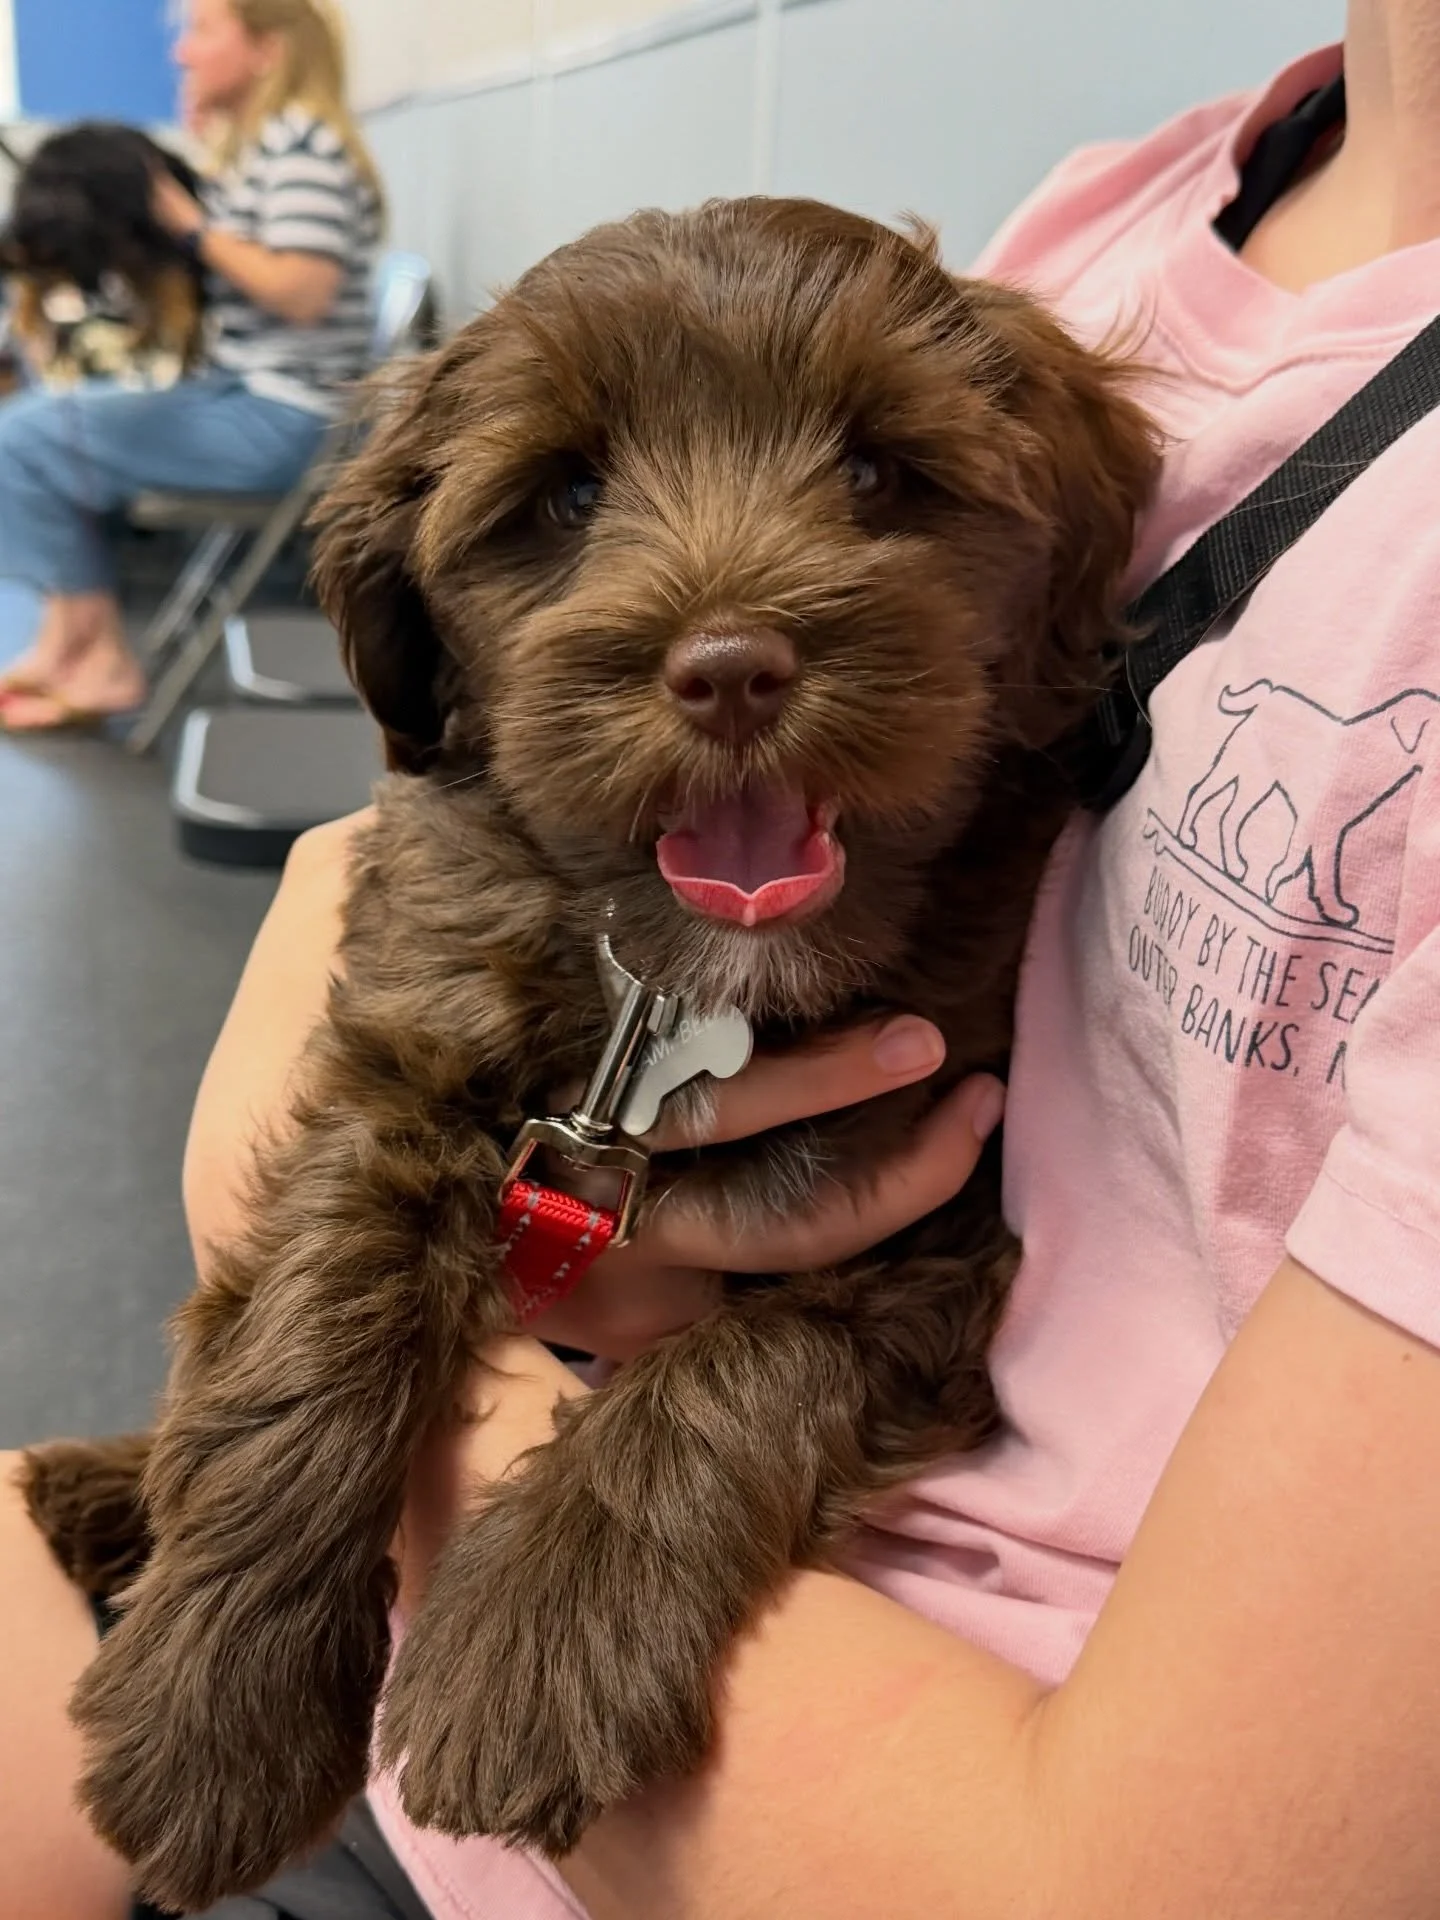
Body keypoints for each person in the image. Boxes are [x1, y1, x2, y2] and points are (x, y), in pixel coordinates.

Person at [7, 2, 1440, 1914]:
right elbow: (428, 1071)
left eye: (873, 486)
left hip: (802, 1746)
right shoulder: (1130, 215)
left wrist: (344, 1244)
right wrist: (410, 1359)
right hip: (443, 1524)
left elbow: (933, 1275)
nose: (730, 619)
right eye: (566, 504)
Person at [0, 0, 382, 734]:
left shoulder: (304, 149)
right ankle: (68, 645)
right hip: (256, 401)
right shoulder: (271, 147)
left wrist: (188, 223)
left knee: (24, 440)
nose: (182, 52)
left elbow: (303, 291)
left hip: (283, 422)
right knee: (40, 433)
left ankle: (100, 657)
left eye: (202, 31)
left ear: (268, 50)